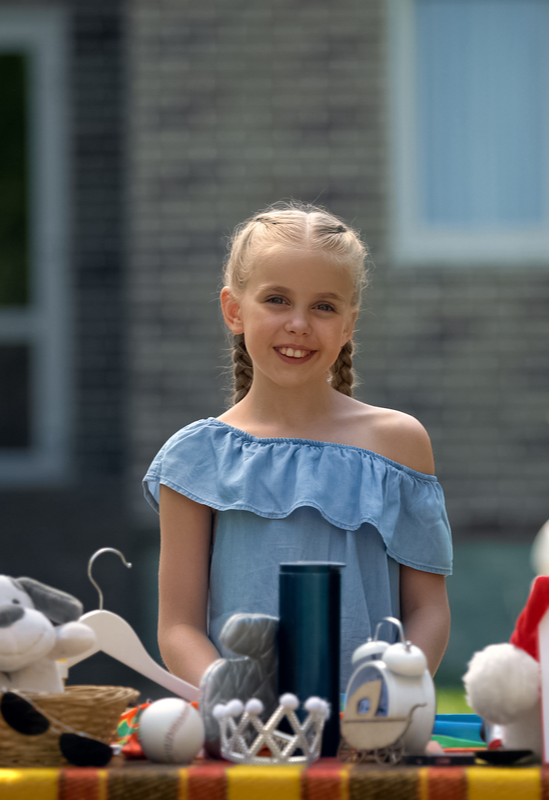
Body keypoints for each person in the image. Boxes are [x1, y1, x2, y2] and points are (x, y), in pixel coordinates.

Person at [143, 202, 452, 692]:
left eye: (324, 307)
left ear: (349, 325)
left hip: (370, 740)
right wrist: (238, 702)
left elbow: (428, 610)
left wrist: (387, 702)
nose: (299, 324)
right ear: (234, 310)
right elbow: (178, 628)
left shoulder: (400, 444)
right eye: (277, 300)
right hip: (248, 743)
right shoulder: (194, 459)